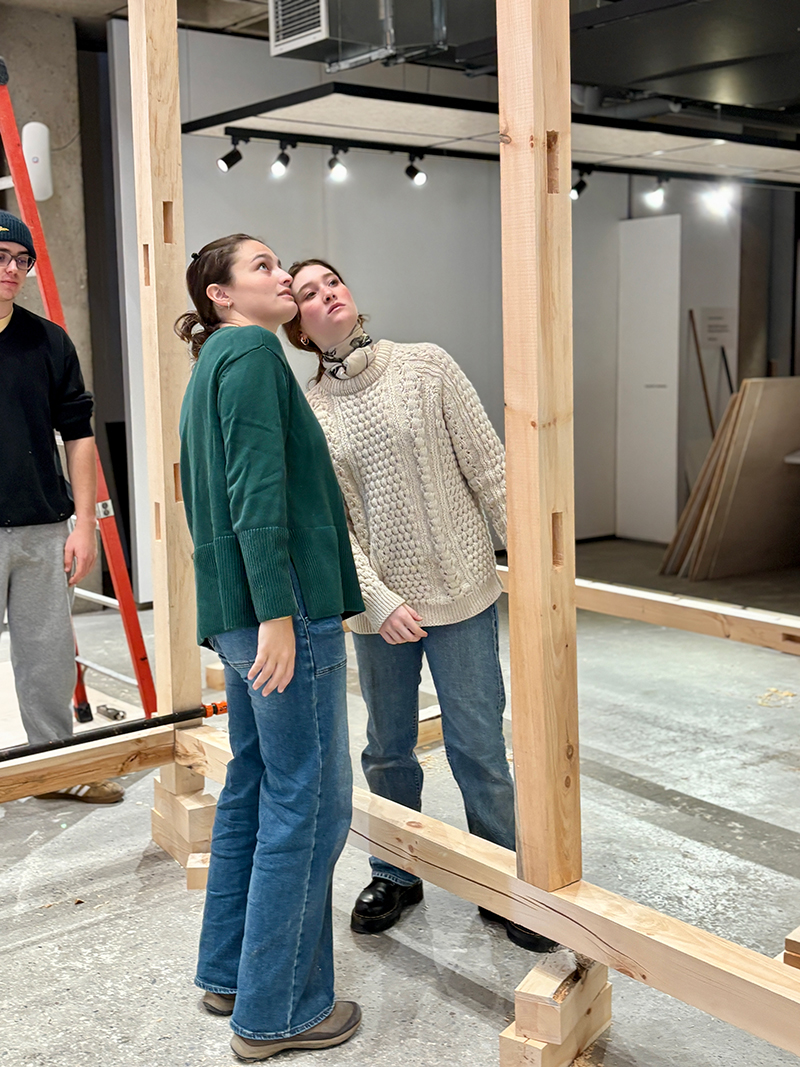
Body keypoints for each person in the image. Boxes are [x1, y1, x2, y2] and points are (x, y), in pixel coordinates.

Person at [286, 259, 557, 952]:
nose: (328, 295)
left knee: (478, 744)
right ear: (299, 325)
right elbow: (331, 525)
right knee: (388, 749)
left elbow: (490, 466)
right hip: (384, 615)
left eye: (333, 282)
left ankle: (503, 878)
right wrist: (377, 602)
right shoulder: (310, 410)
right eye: (309, 294)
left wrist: (526, 561)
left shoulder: (426, 366)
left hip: (464, 592)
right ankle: (395, 870)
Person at [176, 235, 365, 1062]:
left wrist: (246, 613)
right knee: (311, 799)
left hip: (239, 605)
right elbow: (256, 487)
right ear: (221, 294)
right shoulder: (252, 348)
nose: (281, 275)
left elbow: (203, 494)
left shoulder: (214, 359)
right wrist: (279, 616)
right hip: (280, 603)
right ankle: (279, 1009)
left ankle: (230, 972)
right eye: (262, 267)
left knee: (255, 785)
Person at [0, 210, 122, 804]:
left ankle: (55, 767)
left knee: (46, 655)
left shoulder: (48, 341)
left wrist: (85, 523)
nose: (11, 269)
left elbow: (78, 435)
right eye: (0, 256)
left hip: (43, 528)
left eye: (20, 260)